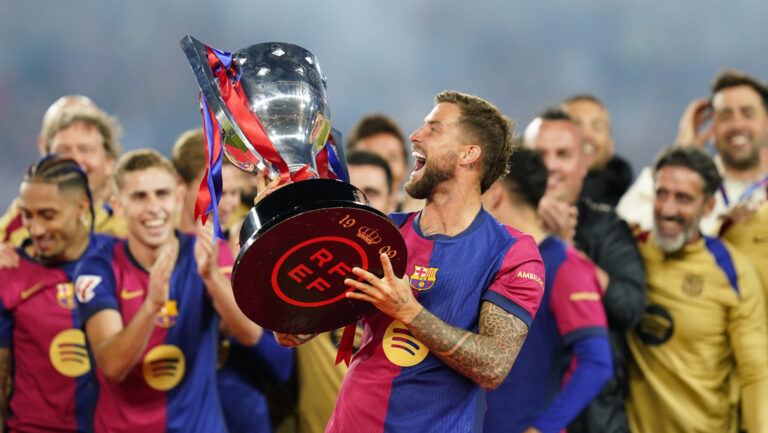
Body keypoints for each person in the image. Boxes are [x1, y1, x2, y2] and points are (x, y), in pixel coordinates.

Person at [275, 91, 545, 433]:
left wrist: (409, 312)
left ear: (469, 154)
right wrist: (277, 232)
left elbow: (493, 366)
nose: (415, 135)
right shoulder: (378, 234)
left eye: (434, 128)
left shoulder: (512, 253)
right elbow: (290, 334)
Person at [74, 149, 262, 433]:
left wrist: (211, 277)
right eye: (139, 197)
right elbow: (112, 366)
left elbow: (250, 334)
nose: (153, 208)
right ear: (118, 206)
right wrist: (152, 305)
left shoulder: (208, 253)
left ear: (178, 197)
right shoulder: (98, 267)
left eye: (161, 194)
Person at [626, 146, 768, 432]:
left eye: (684, 198)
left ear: (709, 206)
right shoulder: (628, 252)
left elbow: (755, 372)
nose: (668, 210)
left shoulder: (733, 271)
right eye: (662, 194)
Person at [525, 108, 645, 433]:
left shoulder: (608, 227)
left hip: (595, 419)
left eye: (562, 154)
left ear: (583, 164)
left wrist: (566, 251)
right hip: (517, 414)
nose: (550, 165)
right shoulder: (496, 230)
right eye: (539, 155)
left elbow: (629, 308)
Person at [482, 148, 612, 433]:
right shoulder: (488, 260)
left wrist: (542, 429)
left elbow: (597, 362)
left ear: (495, 194)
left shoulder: (566, 265)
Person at [0, 155, 117, 432]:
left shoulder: (120, 260)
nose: (35, 229)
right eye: (27, 215)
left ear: (82, 206)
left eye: (48, 215)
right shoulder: (8, 273)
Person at [291, 149, 392, 433]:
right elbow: (285, 337)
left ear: (392, 198)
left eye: (371, 193)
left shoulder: (415, 276)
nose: (359, 205)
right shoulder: (310, 271)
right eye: (350, 194)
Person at [617, 69, 768, 234]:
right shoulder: (691, 184)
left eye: (748, 114)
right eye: (725, 117)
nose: (737, 125)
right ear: (712, 128)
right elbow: (624, 228)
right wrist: (679, 155)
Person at [1, 104, 127, 245]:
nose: (75, 160)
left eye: (85, 149)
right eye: (63, 151)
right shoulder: (18, 224)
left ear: (109, 163)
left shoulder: (131, 222)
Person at [562, 94, 633, 207]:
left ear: (611, 146)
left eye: (597, 127)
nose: (587, 135)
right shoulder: (533, 202)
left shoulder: (634, 208)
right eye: (576, 125)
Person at [347, 113, 422, 212]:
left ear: (405, 168)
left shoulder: (426, 216)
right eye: (371, 157)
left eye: (391, 158)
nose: (383, 169)